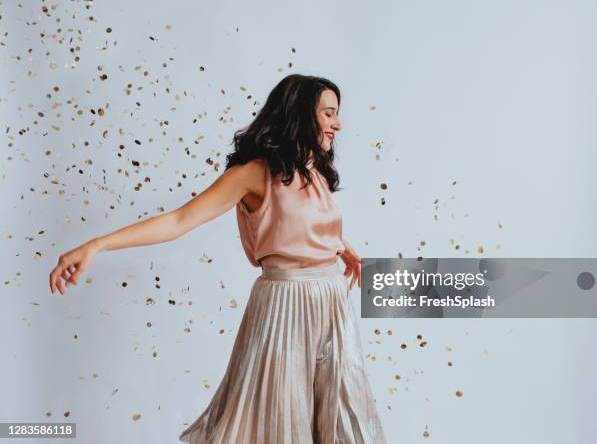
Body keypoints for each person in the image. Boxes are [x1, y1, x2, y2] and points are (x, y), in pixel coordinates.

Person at [49, 74, 387, 444]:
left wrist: (342, 247)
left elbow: (305, 222)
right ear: (300, 116)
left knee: (339, 419)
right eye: (328, 114)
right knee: (278, 422)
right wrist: (97, 245)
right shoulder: (253, 174)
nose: (337, 123)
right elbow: (179, 221)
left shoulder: (314, 169)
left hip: (332, 302)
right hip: (285, 306)